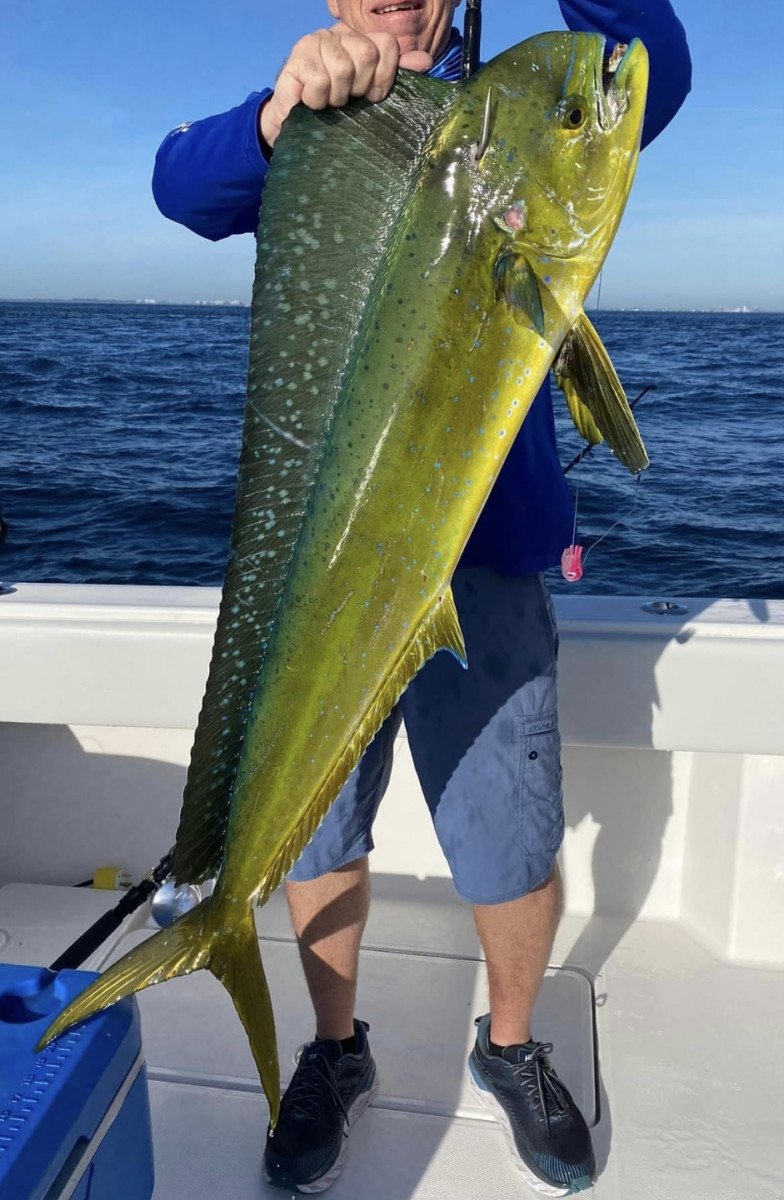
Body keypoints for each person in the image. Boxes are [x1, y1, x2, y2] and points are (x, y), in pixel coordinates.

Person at [153, 2, 691, 1193]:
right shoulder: (330, 115)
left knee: (507, 833)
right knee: (318, 827)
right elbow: (178, 186)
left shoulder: (507, 117)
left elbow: (649, 63)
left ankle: (510, 1049)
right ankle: (333, 1050)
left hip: (488, 569)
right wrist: (278, 112)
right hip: (330, 574)